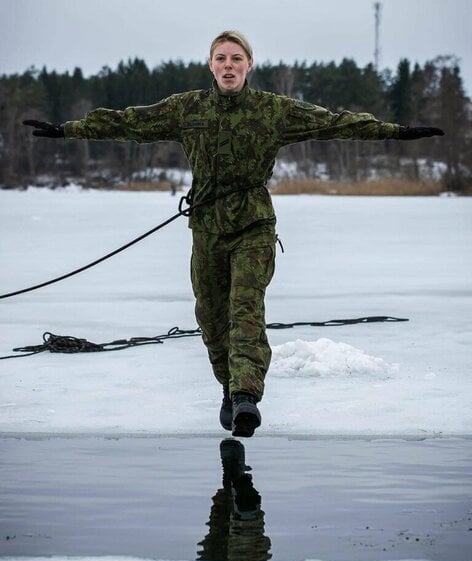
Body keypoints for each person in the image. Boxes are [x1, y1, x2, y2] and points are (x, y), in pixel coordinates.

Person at [23, 30, 444, 438]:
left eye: (236, 59)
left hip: (254, 224)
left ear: (249, 65)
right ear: (211, 65)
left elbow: (335, 123)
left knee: (245, 307)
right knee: (210, 317)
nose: (229, 66)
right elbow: (131, 122)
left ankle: (246, 396)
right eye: (221, 58)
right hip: (206, 227)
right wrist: (67, 129)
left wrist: (397, 131)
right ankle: (229, 386)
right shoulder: (186, 109)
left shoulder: (273, 110)